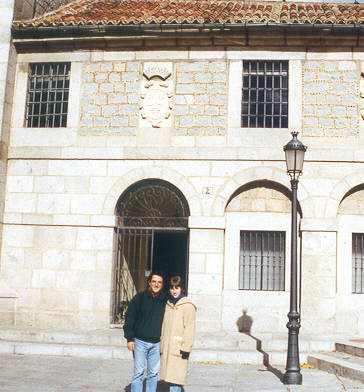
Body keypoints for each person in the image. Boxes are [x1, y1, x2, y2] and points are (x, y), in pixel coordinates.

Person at [123, 271, 166, 392]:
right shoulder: (139, 298)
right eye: (154, 281)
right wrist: (129, 338)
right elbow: (129, 318)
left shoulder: (165, 300)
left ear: (162, 285)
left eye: (159, 282)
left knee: (153, 374)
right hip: (140, 342)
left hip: (157, 343)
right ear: (149, 282)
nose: (156, 284)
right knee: (138, 373)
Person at [160, 276, 197, 392]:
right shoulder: (168, 304)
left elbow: (190, 328)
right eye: (172, 288)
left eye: (177, 288)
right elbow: (164, 326)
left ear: (182, 289)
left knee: (176, 380)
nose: (174, 291)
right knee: (170, 379)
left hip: (179, 348)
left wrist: (186, 347)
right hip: (168, 347)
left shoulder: (187, 306)